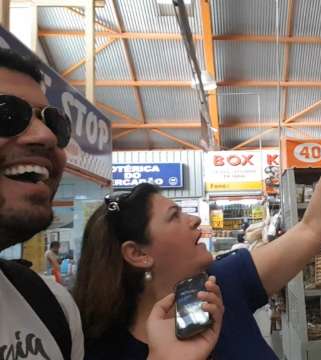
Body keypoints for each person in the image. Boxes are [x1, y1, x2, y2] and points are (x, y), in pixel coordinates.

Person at [74, 71, 321, 359]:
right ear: (138, 253)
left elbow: (312, 228)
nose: (193, 220)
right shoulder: (102, 349)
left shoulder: (223, 283)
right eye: (174, 216)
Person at [0, 47, 221, 360]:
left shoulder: (51, 307)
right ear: (135, 253)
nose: (46, 136)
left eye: (55, 124)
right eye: (7, 114)